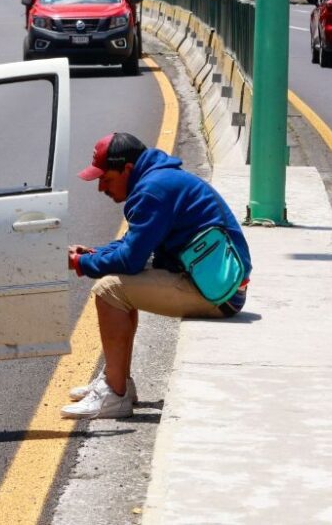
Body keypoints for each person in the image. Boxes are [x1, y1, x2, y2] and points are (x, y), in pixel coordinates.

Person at [62, 132, 251, 420]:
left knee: (109, 290)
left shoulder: (153, 190)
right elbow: (132, 244)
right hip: (214, 282)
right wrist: (93, 254)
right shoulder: (157, 180)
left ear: (127, 169)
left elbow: (130, 259)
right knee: (120, 287)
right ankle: (117, 382)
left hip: (218, 293)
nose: (101, 187)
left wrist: (81, 263)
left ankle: (115, 395)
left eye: (106, 178)